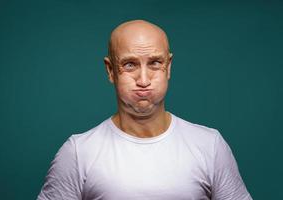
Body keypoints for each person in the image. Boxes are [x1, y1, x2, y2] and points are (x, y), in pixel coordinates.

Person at [37, 20, 252, 200]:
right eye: (130, 64)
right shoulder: (78, 153)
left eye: (155, 63)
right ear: (111, 70)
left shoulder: (210, 146)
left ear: (168, 67)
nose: (143, 80)